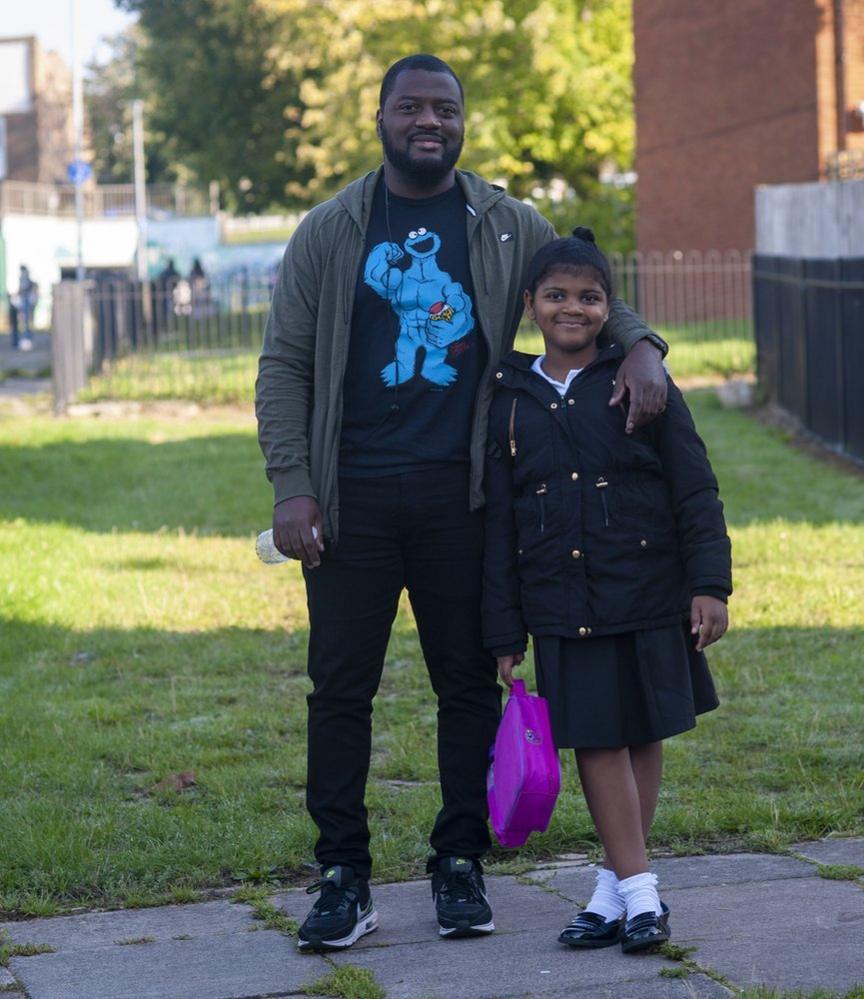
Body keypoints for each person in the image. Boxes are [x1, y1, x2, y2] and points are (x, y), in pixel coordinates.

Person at [255, 54, 670, 953]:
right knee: (339, 690)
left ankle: (458, 864)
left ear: (462, 120)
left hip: (467, 499)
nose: (428, 122)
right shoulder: (330, 230)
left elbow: (586, 284)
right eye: (411, 107)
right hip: (351, 500)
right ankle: (342, 876)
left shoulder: (504, 220)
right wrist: (293, 484)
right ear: (380, 117)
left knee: (466, 685)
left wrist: (644, 348)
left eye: (445, 107)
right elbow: (283, 363)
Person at [482, 228, 731, 954]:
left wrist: (708, 583)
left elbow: (694, 485)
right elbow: (498, 522)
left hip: (648, 588)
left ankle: (610, 890)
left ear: (609, 306)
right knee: (594, 738)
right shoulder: (507, 398)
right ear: (529, 303)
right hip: (561, 603)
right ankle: (642, 892)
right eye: (556, 295)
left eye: (589, 296)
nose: (572, 308)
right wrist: (504, 630)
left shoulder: (641, 380)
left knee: (641, 729)